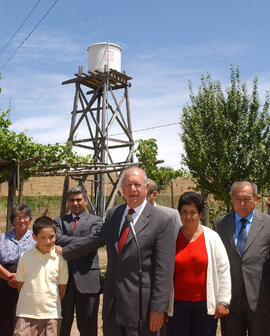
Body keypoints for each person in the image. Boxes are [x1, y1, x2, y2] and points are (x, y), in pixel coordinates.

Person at [60, 167, 175, 336]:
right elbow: (94, 240)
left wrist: (158, 308)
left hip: (142, 310)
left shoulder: (161, 221)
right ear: (122, 189)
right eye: (128, 185)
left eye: (137, 184)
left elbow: (164, 271)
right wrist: (63, 252)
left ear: (146, 187)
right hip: (113, 307)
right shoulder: (115, 213)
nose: (132, 189)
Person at [168, 192, 231, 336]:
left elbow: (223, 269)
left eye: (193, 212)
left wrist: (223, 301)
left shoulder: (212, 238)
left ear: (200, 214)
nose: (188, 217)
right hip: (177, 306)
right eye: (184, 212)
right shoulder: (171, 237)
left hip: (205, 306)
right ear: (179, 213)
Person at [213, 181, 270, 336]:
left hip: (261, 301)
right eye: (238, 199)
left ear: (256, 198)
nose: (242, 203)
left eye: (247, 199)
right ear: (231, 198)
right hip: (230, 301)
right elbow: (217, 261)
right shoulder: (220, 224)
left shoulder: (268, 224)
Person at [54, 185, 103, 336]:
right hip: (63, 281)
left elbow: (94, 242)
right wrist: (84, 242)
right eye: (71, 200)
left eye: (78, 200)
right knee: (62, 325)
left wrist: (66, 250)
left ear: (86, 201)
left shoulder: (97, 221)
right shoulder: (59, 222)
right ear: (68, 202)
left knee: (88, 327)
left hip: (88, 281)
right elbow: (57, 239)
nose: (75, 203)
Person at [14, 216, 68, 336]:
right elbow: (20, 285)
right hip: (26, 313)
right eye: (43, 237)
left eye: (51, 237)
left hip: (51, 315)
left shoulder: (61, 259)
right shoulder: (25, 257)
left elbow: (62, 288)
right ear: (34, 237)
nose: (48, 241)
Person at [0, 204, 35, 336]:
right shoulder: (2, 239)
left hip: (28, 286)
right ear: (12, 220)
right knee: (4, 323)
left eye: (25, 217)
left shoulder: (36, 239)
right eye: (17, 217)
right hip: (5, 284)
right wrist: (9, 276)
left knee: (24, 324)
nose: (21, 221)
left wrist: (21, 279)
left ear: (30, 219)